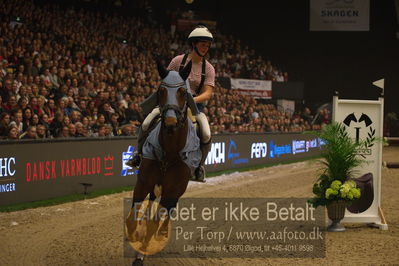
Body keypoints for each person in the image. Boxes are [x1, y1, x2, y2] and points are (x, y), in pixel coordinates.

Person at [127, 25, 215, 182]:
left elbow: (208, 92)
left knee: (206, 133)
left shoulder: (208, 68)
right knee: (147, 122)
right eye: (202, 44)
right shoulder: (177, 61)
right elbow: (165, 81)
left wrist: (190, 100)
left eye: (207, 45)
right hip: (171, 104)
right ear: (193, 44)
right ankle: (138, 155)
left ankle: (199, 166)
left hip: (194, 106)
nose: (205, 48)